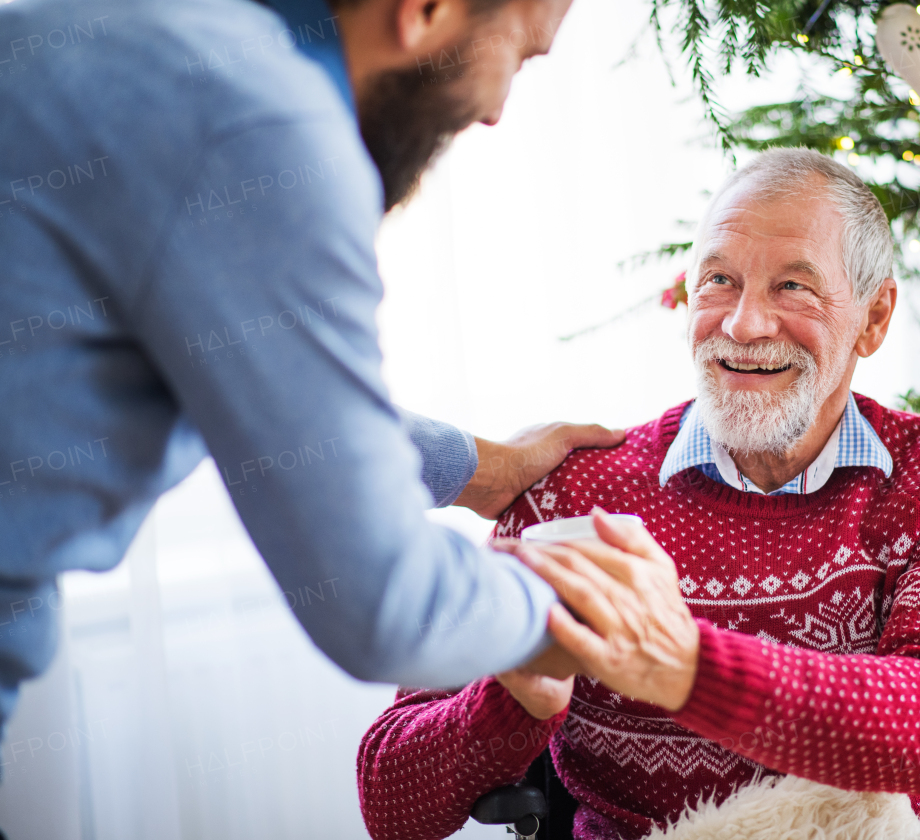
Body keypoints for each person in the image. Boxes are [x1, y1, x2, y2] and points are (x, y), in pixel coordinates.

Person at [356, 149, 920, 840]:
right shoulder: (569, 498)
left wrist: (680, 665)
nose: (743, 325)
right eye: (720, 280)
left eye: (793, 288)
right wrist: (513, 701)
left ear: (874, 316)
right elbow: (390, 803)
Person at [0, 0, 624, 733]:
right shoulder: (259, 127)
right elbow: (389, 606)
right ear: (426, 11)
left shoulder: (165, 36)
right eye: (519, 57)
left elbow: (279, 391)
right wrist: (586, 602)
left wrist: (479, 470)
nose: (494, 113)